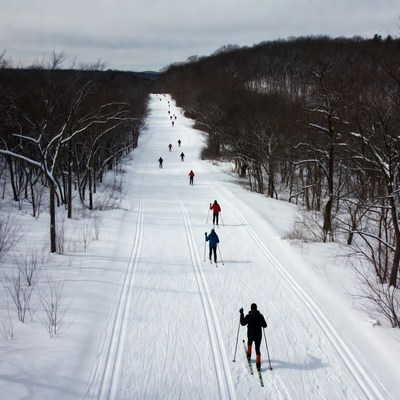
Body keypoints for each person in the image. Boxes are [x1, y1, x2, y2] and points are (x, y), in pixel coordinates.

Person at [240, 304, 267, 371]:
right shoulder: (260, 316)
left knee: (249, 342)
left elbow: (242, 323)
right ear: (256, 308)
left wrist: (241, 314)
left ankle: (249, 356)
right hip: (258, 336)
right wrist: (261, 324)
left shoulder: (248, 316)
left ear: (251, 308)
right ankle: (258, 365)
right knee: (257, 349)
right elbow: (265, 325)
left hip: (250, 335)